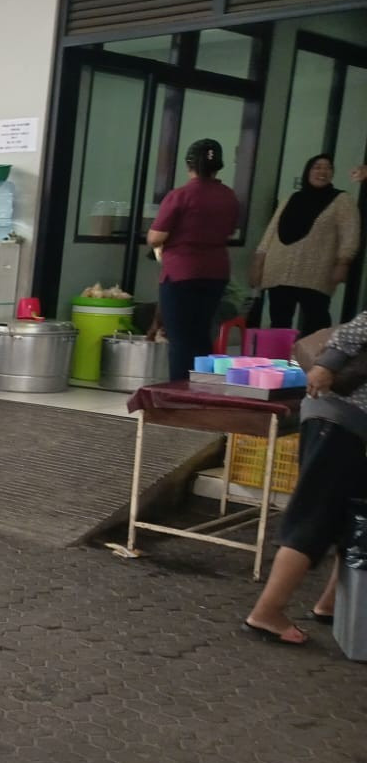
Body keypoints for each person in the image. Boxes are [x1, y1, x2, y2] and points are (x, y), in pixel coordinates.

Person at [243, 310, 367, 644]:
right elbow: (354, 332)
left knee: (354, 518)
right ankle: (267, 612)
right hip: (340, 420)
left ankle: (333, 604)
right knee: (316, 514)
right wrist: (325, 367)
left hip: (353, 428)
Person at [148, 138, 241, 381]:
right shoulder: (228, 196)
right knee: (201, 334)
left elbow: (156, 235)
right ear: (218, 166)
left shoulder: (181, 195)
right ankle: (202, 389)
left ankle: (180, 395)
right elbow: (230, 230)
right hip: (216, 272)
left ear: (189, 164)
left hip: (181, 273)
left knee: (179, 338)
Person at [252, 154, 360, 335]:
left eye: (328, 168)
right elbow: (271, 231)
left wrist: (344, 262)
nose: (322, 171)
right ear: (307, 172)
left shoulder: (342, 200)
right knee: (279, 321)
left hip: (316, 272)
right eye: (317, 167)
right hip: (279, 269)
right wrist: (258, 262)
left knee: (317, 321)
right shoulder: (292, 198)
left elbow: (350, 232)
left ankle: (314, 361)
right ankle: (278, 360)